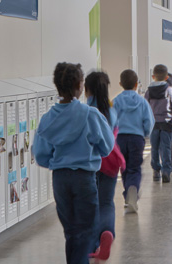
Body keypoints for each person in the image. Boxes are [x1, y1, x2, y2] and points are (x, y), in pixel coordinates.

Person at [34, 62, 114, 264]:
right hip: (84, 178)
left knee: (71, 231)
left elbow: (41, 155)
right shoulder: (90, 115)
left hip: (60, 179)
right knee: (86, 232)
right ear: (80, 85)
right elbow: (106, 147)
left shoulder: (47, 119)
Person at [84, 70, 124, 261]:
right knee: (106, 202)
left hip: (89, 163)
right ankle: (107, 232)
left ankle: (92, 245)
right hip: (109, 161)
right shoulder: (111, 111)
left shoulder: (84, 111)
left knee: (91, 204)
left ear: (86, 90)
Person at [112, 69, 153, 213]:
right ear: (136, 85)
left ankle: (127, 193)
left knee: (124, 167)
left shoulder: (116, 101)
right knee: (134, 167)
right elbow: (148, 121)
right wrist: (146, 133)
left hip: (120, 139)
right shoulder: (142, 102)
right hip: (137, 138)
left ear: (120, 84)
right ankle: (133, 190)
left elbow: (111, 121)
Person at [144, 65, 172, 183]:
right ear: (167, 77)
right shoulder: (169, 90)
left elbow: (145, 106)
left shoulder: (148, 91)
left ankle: (156, 171)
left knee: (154, 147)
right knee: (166, 147)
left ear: (153, 76)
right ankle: (166, 171)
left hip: (154, 124)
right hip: (166, 123)